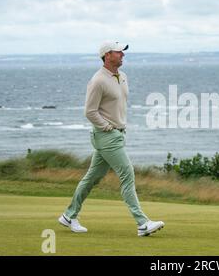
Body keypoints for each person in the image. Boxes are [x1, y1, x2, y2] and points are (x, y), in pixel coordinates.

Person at [58, 41, 164, 237]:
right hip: (107, 135)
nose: (123, 55)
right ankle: (142, 223)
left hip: (117, 134)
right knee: (127, 174)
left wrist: (119, 127)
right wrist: (107, 127)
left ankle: (68, 215)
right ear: (107, 56)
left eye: (123, 52)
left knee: (92, 178)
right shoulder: (98, 80)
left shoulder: (122, 76)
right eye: (119, 52)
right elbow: (89, 111)